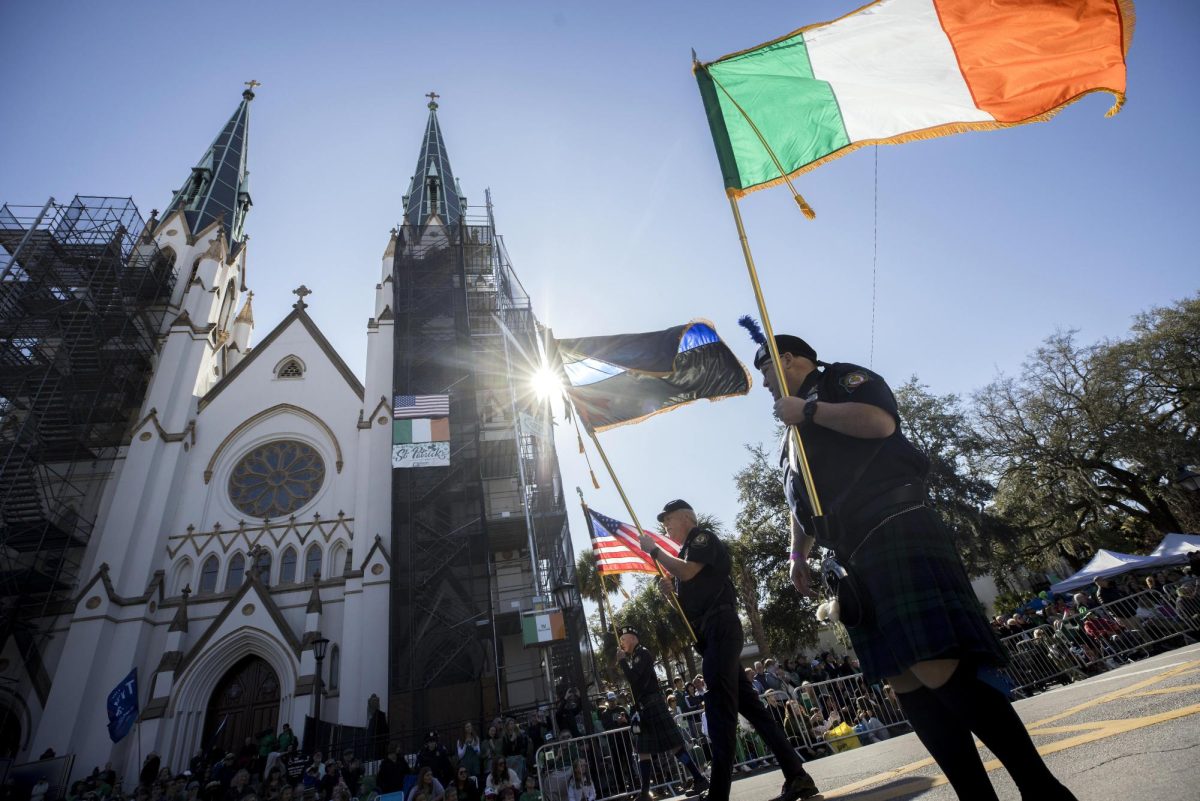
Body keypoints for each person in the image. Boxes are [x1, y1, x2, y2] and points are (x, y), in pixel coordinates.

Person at [755, 332, 1078, 801]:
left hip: (894, 525)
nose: (763, 382)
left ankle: (1043, 791)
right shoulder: (789, 430)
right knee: (908, 684)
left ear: (788, 359)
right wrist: (797, 554)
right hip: (851, 553)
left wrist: (808, 411)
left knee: (938, 667)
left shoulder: (842, 381)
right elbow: (801, 498)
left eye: (765, 369)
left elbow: (880, 423)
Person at [640, 500, 819, 801]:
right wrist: (671, 596)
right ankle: (798, 777)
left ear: (686, 517)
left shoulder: (702, 538)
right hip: (711, 635)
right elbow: (689, 605)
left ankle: (718, 793)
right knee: (755, 713)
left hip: (721, 627)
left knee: (720, 710)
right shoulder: (684, 555)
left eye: (669, 520)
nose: (666, 527)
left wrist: (654, 551)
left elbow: (688, 572)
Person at [615, 624, 709, 801]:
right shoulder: (635, 656)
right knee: (643, 749)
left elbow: (634, 679)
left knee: (674, 745)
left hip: (652, 705)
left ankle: (699, 778)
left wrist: (622, 661)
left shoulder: (642, 653)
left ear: (633, 638)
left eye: (623, 639)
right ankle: (645, 793)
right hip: (644, 708)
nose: (621, 643)